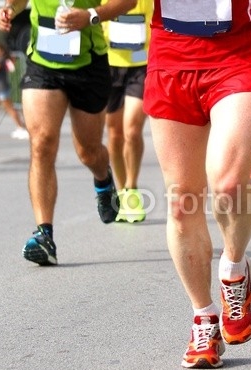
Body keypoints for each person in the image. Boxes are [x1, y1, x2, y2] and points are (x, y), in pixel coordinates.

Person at [143, 0, 251, 368]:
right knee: (181, 202)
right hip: (172, 51)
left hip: (240, 49)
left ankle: (234, 269)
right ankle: (204, 318)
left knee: (228, 184)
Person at [0, 0, 137, 266]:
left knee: (89, 152)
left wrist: (91, 16)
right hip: (43, 64)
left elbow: (129, 2)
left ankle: (103, 179)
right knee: (41, 144)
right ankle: (44, 234)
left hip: (89, 66)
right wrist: (9, 10)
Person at [102, 0, 153, 223]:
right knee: (114, 133)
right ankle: (121, 192)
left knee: (132, 129)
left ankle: (132, 189)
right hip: (109, 64)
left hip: (142, 65)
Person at [0, 40, 28, 139]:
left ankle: (21, 128)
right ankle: (21, 127)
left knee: (11, 110)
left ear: (0, 50)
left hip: (2, 88)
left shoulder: (1, 60)